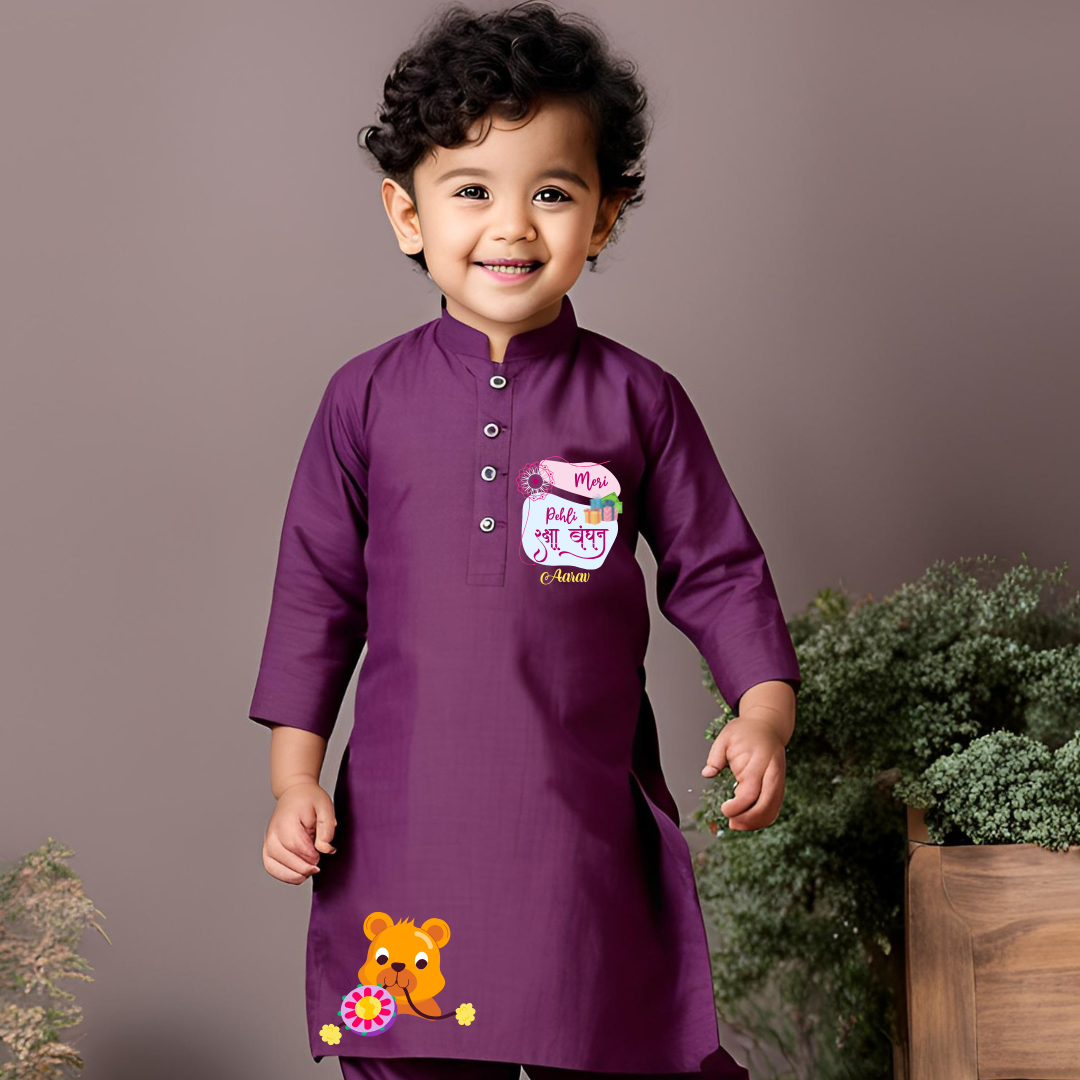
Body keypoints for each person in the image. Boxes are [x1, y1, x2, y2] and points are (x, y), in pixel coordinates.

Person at [248, 3, 801, 1078]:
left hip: (575, 812)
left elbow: (720, 567)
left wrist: (763, 713)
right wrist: (293, 780)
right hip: (407, 815)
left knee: (599, 1029)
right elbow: (316, 594)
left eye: (551, 193)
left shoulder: (639, 399)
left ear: (604, 218)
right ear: (406, 214)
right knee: (411, 1033)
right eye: (472, 191)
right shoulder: (365, 399)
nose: (512, 227)